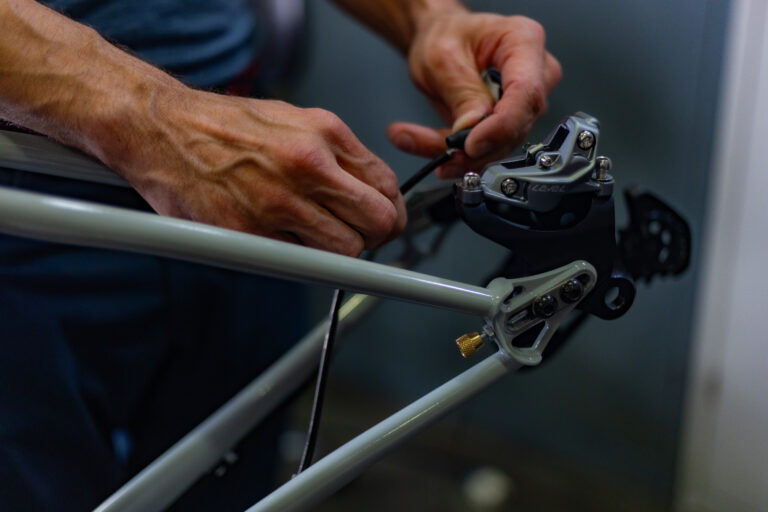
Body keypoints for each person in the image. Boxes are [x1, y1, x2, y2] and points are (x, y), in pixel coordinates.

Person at [0, 0, 561, 510]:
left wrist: (426, 18)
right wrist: (154, 119)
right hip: (31, 202)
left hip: (255, 177)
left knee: (234, 484)